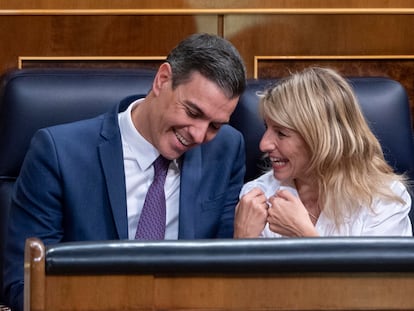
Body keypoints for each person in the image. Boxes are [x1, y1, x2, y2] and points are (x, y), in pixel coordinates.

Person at [4, 33, 247, 311]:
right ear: (163, 80)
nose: (199, 135)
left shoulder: (227, 149)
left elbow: (226, 266)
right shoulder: (59, 153)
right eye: (192, 112)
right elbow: (25, 285)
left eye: (215, 125)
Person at [234, 66, 412, 238]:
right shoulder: (257, 196)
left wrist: (304, 236)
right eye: (267, 127)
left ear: (322, 140)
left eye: (281, 133)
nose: (264, 145)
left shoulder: (384, 200)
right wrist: (242, 239)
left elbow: (381, 270)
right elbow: (241, 268)